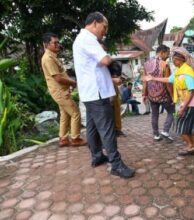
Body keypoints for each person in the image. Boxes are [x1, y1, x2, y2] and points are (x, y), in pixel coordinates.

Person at [73, 11, 134, 178]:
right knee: (107, 129)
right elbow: (105, 61)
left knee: (92, 127)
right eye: (104, 26)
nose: (105, 31)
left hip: (90, 92)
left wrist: (112, 80)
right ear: (95, 23)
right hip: (97, 93)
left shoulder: (82, 39)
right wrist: (113, 62)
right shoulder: (88, 38)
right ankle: (116, 164)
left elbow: (94, 68)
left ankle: (97, 156)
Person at [144, 47, 194, 155]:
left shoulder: (187, 71)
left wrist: (183, 107)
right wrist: (153, 78)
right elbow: (168, 79)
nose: (173, 61)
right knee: (190, 126)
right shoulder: (179, 70)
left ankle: (190, 146)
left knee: (180, 124)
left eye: (174, 59)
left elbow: (191, 91)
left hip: (193, 101)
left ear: (180, 60)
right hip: (188, 101)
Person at [41, 32, 87, 147]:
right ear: (46, 44)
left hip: (61, 91)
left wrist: (70, 83)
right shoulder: (48, 58)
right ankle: (75, 138)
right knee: (75, 113)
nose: (58, 45)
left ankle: (63, 138)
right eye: (54, 43)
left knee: (65, 114)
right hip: (60, 91)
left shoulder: (52, 56)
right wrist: (73, 82)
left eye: (58, 42)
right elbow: (58, 78)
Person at [143, 45, 175, 141]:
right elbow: (168, 82)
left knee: (154, 114)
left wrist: (144, 94)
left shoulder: (146, 63)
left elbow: (145, 80)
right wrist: (173, 96)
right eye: (167, 54)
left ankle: (156, 135)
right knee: (172, 112)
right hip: (164, 94)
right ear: (162, 52)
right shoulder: (164, 64)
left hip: (152, 94)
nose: (168, 56)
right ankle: (165, 131)